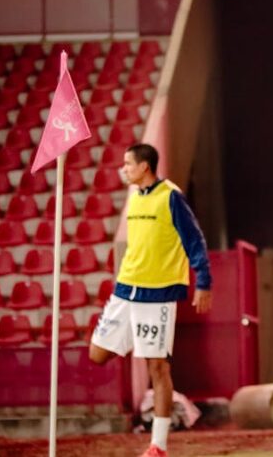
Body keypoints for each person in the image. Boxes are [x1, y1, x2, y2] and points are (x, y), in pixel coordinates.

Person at [89, 143, 212, 457]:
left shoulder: (171, 196)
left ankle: (158, 446)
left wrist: (203, 282)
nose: (124, 168)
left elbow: (195, 240)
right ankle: (142, 339)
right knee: (97, 354)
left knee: (158, 368)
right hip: (125, 290)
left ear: (145, 166)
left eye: (128, 163)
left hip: (158, 295)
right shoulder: (134, 198)